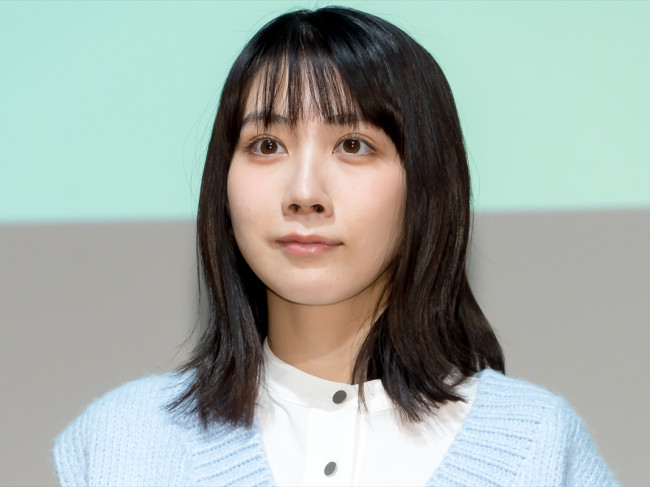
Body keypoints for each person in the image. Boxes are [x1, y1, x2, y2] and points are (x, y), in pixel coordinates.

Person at [53, 6, 617, 486]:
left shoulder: (539, 449)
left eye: (353, 144)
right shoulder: (119, 444)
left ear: (427, 184)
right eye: (266, 144)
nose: (304, 194)